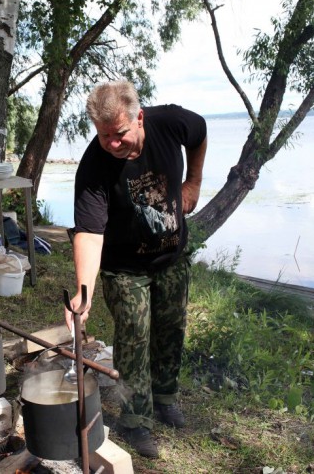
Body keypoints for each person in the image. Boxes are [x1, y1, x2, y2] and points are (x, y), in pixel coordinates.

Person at [64, 80, 208, 458]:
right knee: (133, 337)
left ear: (139, 118)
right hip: (124, 267)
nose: (113, 143)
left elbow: (200, 132)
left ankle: (165, 397)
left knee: (171, 328)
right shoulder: (94, 165)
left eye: (120, 133)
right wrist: (83, 293)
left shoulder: (171, 122)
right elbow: (90, 234)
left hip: (171, 257)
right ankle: (136, 421)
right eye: (104, 135)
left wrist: (193, 182)